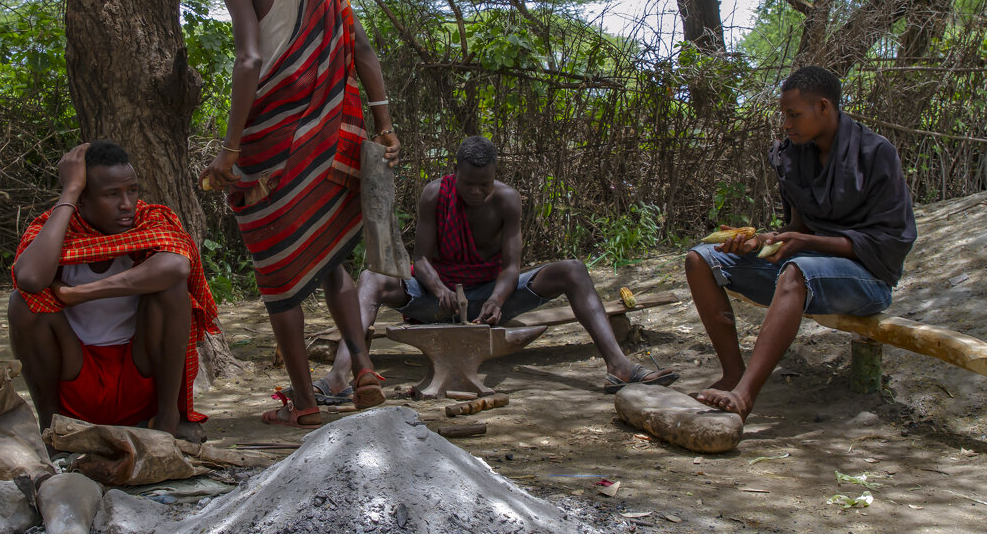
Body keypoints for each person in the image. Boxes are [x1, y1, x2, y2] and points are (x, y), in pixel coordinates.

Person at [198, 0, 400, 428]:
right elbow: (364, 53)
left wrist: (231, 146)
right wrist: (384, 125)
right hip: (332, 141)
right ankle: (363, 372)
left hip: (272, 144)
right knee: (330, 256)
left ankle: (307, 404)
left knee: (277, 273)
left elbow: (249, 60)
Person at [316, 135, 678, 399]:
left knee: (573, 270)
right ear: (454, 174)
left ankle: (619, 366)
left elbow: (510, 266)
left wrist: (500, 299)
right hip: (436, 300)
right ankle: (340, 377)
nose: (476, 192)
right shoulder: (433, 194)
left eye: (484, 184)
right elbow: (422, 259)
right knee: (371, 277)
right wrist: (439, 288)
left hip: (491, 299)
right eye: (468, 184)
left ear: (495, 176)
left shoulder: (507, 200)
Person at [686, 66, 917, 420]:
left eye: (793, 114)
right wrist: (763, 242)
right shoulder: (792, 155)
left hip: (867, 278)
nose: (786, 124)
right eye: (784, 116)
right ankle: (733, 373)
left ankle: (745, 395)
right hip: (806, 269)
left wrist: (805, 241)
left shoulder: (874, 153)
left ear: (823, 107)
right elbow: (796, 227)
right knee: (701, 260)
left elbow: (890, 242)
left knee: (796, 271)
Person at [9, 140, 219, 443]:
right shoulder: (55, 229)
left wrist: (79, 293)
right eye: (111, 194)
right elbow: (28, 277)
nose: (126, 204)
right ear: (81, 199)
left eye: (132, 190)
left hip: (138, 376)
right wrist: (68, 191)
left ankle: (167, 422)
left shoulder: (149, 220)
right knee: (23, 303)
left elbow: (176, 267)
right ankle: (52, 428)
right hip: (77, 378)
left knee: (171, 290)